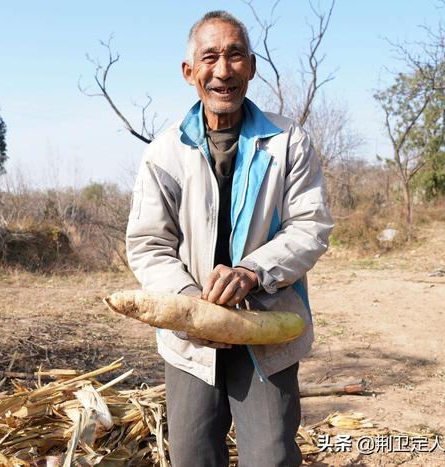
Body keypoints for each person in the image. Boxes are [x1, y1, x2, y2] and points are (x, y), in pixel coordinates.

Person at [125, 10, 333, 467]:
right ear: (189, 72)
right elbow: (147, 242)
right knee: (193, 456)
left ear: (252, 67)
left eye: (235, 55)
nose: (223, 70)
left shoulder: (288, 142)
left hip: (266, 325)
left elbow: (310, 225)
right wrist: (189, 305)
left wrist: (252, 272)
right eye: (210, 57)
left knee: (271, 456)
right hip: (190, 338)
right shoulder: (164, 154)